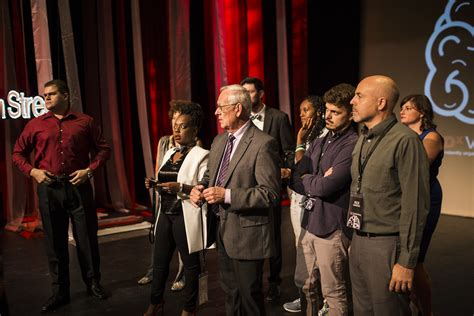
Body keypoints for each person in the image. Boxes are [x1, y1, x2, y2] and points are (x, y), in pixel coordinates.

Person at [12, 79, 111, 313]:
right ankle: (60, 291)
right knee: (55, 243)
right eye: (44, 95)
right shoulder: (36, 124)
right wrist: (33, 171)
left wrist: (89, 170)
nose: (46, 98)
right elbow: (18, 154)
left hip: (78, 186)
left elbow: (104, 149)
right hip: (49, 188)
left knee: (86, 238)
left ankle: (93, 283)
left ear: (65, 96)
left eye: (51, 94)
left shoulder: (85, 121)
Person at [190, 84, 280, 315]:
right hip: (222, 230)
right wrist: (199, 188)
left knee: (249, 297)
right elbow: (210, 175)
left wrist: (227, 195)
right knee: (230, 294)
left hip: (248, 234)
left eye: (221, 107)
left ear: (238, 109)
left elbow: (270, 193)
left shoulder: (263, 143)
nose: (216, 112)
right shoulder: (219, 141)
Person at [348, 75, 430, 315]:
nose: (352, 101)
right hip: (360, 239)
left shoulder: (405, 141)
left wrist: (406, 262)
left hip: (387, 246)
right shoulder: (363, 136)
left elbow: (415, 205)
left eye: (359, 96)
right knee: (363, 311)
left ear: (381, 103)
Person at [291, 84, 357, 316]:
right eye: (326, 110)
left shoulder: (352, 144)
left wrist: (310, 179)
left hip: (332, 225)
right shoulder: (319, 141)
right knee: (305, 284)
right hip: (308, 221)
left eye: (336, 111)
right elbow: (295, 178)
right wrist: (313, 178)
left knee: (333, 291)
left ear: (351, 113)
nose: (327, 116)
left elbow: (326, 186)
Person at [143, 101, 209, 316]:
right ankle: (156, 302)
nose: (177, 130)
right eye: (175, 126)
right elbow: (165, 179)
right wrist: (154, 183)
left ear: (194, 129)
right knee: (159, 262)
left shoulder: (202, 155)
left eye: (183, 126)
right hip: (166, 213)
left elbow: (202, 186)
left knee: (190, 266)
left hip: (185, 213)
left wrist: (180, 187)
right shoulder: (171, 152)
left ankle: (190, 308)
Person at [241, 76, 295, 301]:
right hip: (245, 188)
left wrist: (284, 170)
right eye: (243, 93)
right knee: (249, 235)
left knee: (272, 237)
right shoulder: (241, 118)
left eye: (250, 92)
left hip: (269, 187)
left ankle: (274, 282)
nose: (246, 97)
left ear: (261, 94)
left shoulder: (278, 118)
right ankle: (252, 282)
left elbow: (289, 150)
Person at [400, 94, 444, 316]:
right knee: (401, 257)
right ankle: (409, 304)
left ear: (422, 113)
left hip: (425, 198)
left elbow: (418, 165)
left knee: (415, 260)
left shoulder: (432, 137)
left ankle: (426, 311)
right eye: (402, 107)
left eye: (408, 108)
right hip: (402, 199)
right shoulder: (400, 136)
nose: (402, 111)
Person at [282, 95, 327, 314]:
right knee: (300, 248)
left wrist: (299, 139)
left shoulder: (325, 135)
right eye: (300, 110)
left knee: (314, 251)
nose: (301, 114)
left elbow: (304, 166)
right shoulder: (310, 136)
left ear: (319, 112)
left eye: (306, 110)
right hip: (297, 199)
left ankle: (321, 299)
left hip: (313, 201)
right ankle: (305, 296)